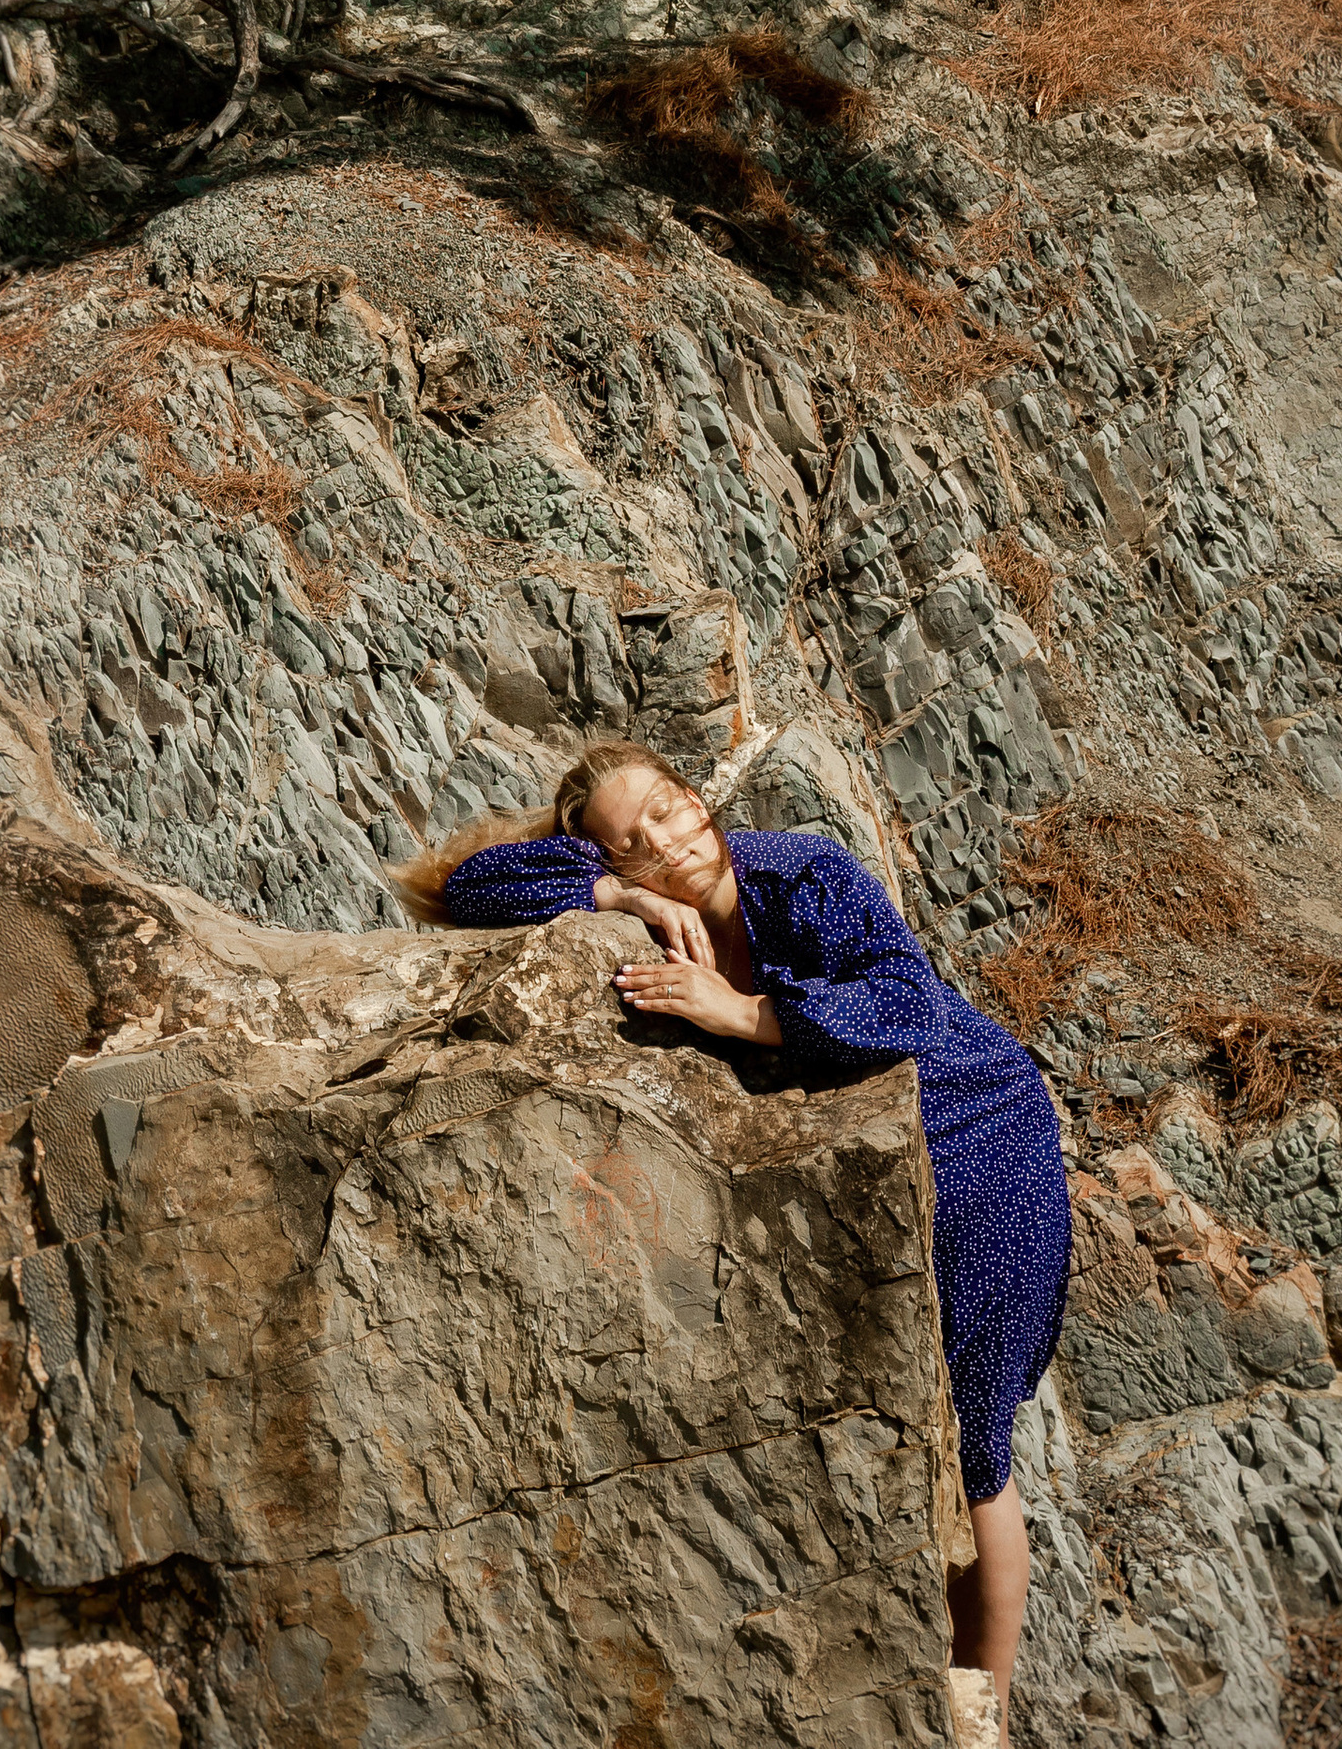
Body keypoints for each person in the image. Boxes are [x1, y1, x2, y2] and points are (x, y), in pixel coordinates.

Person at [401, 739, 1069, 1739]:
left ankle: (984, 1706)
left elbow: (906, 1004)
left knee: (975, 1435)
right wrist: (615, 902)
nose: (673, 839)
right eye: (637, 840)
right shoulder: (627, 890)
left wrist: (746, 1012)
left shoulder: (800, 868)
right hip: (862, 1165)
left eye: (673, 807)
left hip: (979, 1132)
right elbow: (472, 885)